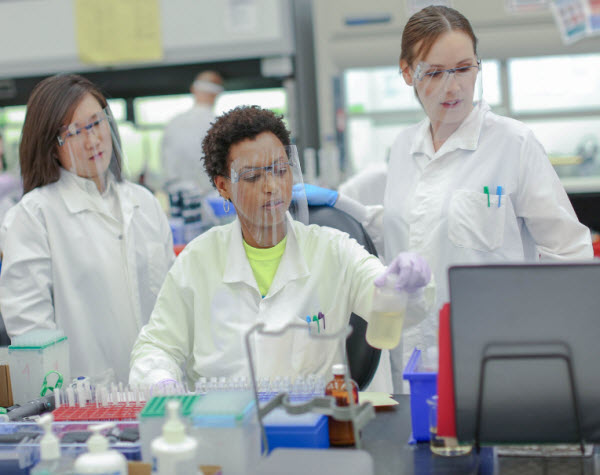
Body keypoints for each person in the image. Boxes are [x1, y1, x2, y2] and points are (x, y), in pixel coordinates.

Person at [302, 5, 593, 392]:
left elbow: (570, 253)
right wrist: (341, 204)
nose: (452, 87)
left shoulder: (513, 143)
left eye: (463, 68)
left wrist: (547, 342)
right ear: (407, 73)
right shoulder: (404, 146)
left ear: (477, 66)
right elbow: (407, 232)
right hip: (415, 358)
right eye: (434, 73)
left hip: (498, 357)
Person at [129, 106, 433, 390]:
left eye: (279, 170)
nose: (271, 186)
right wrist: (160, 382)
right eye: (253, 176)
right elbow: (157, 346)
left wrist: (404, 287)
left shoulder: (333, 249)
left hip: (315, 427)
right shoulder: (198, 260)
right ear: (223, 186)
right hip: (226, 428)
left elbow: (391, 306)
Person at [0, 74, 175, 384]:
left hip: (157, 391)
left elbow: (172, 302)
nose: (93, 140)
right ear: (51, 146)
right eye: (74, 132)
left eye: (96, 123)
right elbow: (31, 332)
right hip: (83, 407)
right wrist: (62, 401)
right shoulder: (33, 217)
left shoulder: (143, 203)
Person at [161, 70, 224, 194]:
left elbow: (166, 165)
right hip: (211, 196)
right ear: (216, 94)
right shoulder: (219, 125)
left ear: (193, 89)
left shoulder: (173, 124)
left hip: (178, 197)